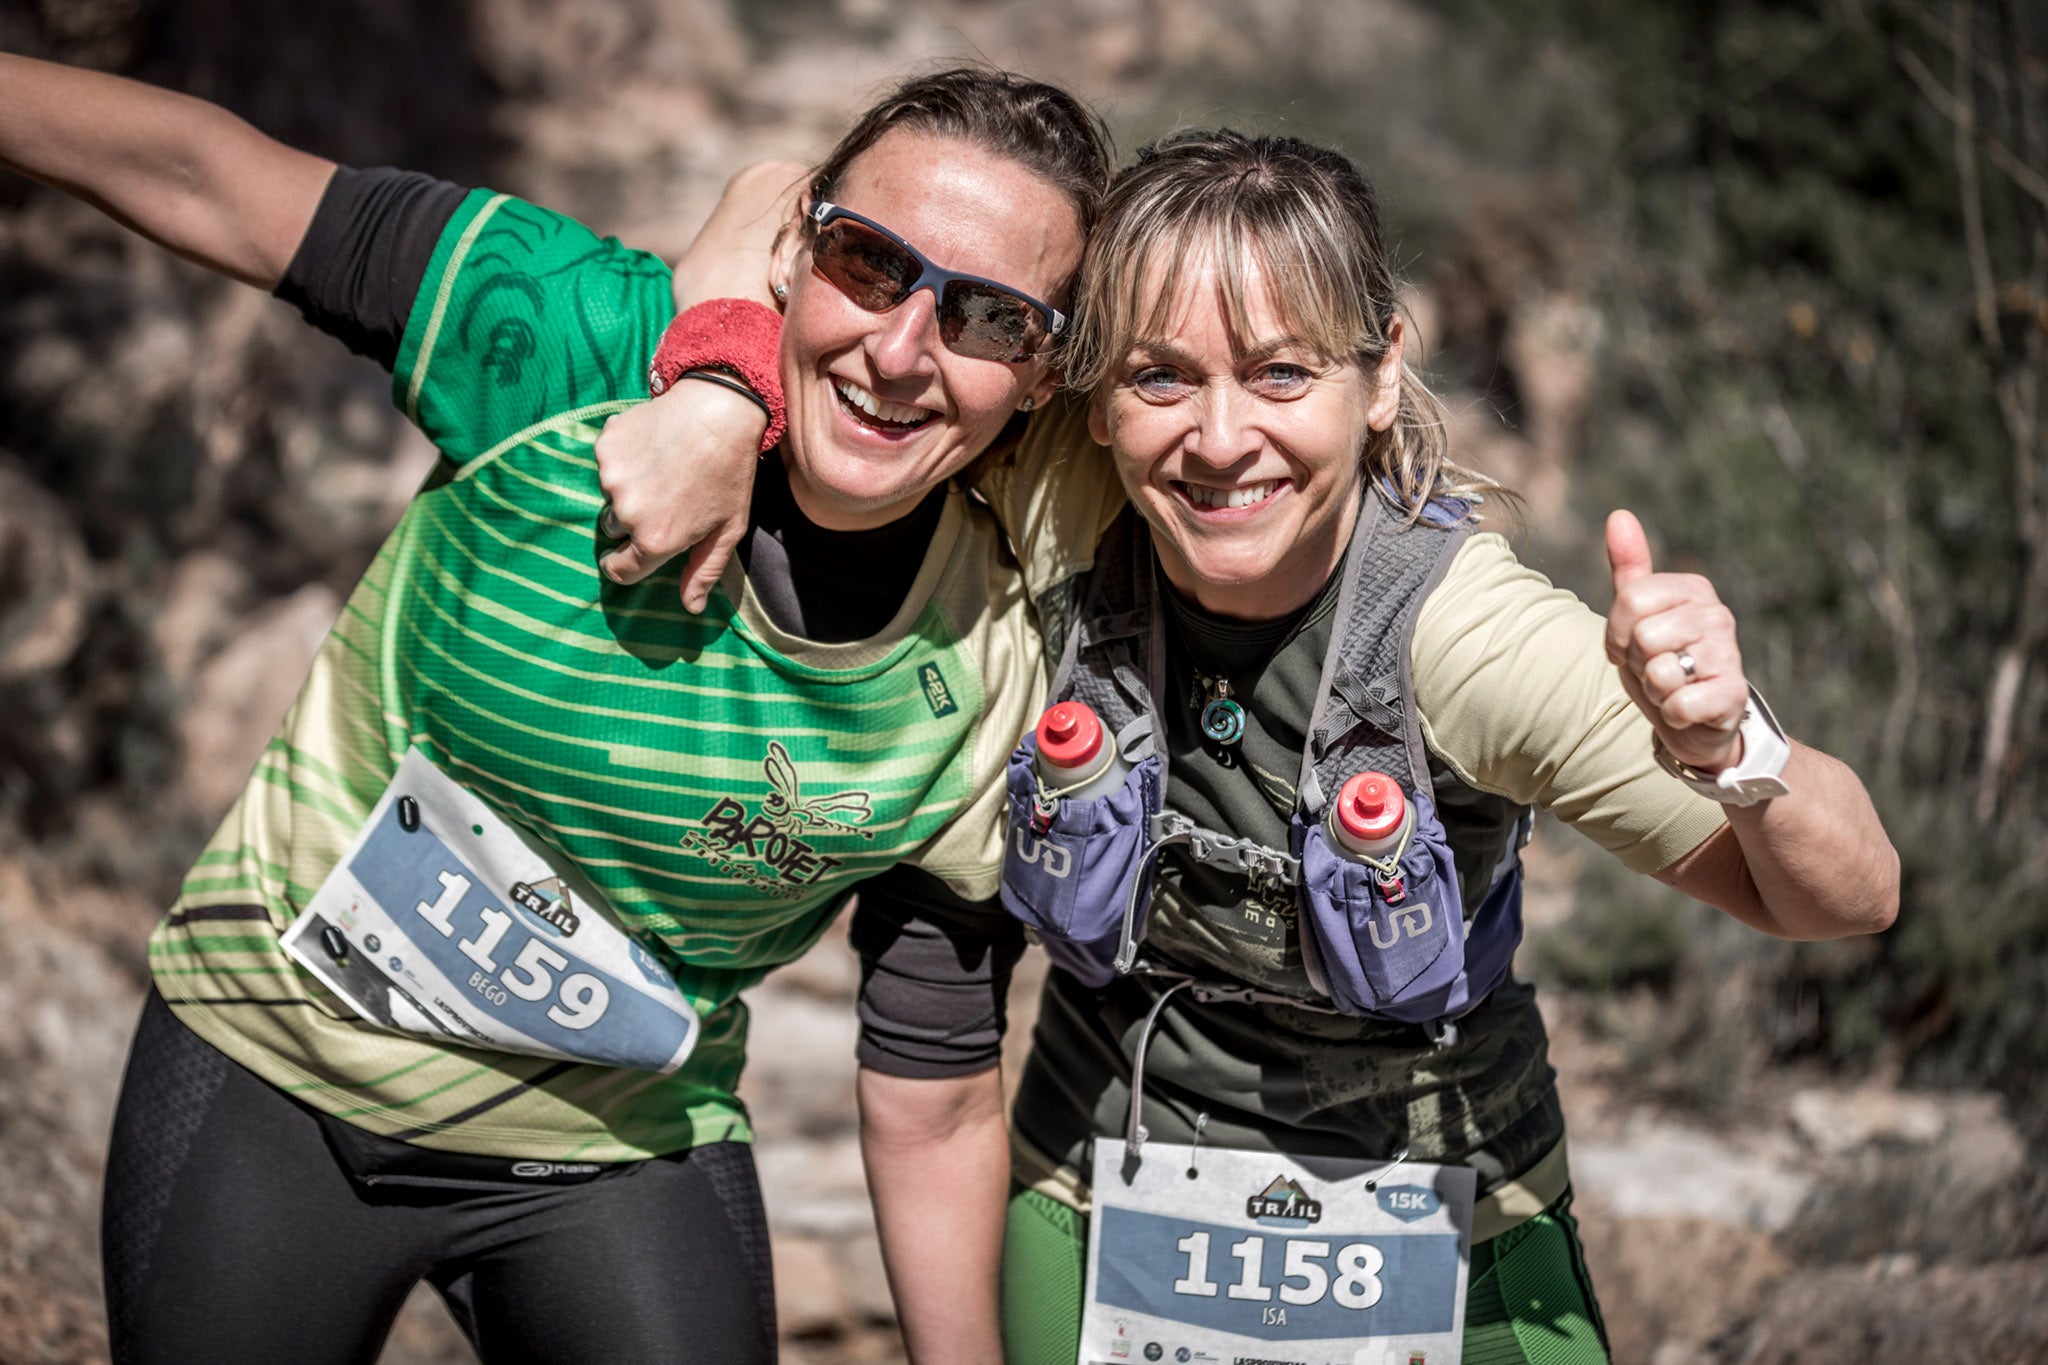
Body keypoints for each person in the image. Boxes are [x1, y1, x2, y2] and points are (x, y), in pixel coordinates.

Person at [608, 130, 1899, 1362]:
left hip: (1451, 1213)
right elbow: (794, 201)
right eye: (1161, 374)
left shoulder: (1466, 640)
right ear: (1094, 396)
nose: (1220, 442)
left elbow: (1846, 896)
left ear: (1381, 372)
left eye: (1283, 373)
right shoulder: (1068, 493)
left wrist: (1736, 743)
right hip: (1099, 1199)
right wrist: (723, 397)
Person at [0, 52, 1113, 1363]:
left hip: (610, 1148)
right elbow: (210, 176)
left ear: (1044, 375)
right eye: (869, 262)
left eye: (988, 318)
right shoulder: (571, 342)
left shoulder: (985, 663)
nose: (902, 346)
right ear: (796, 246)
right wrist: (710, 381)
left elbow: (930, 1086)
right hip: (275, 1069)